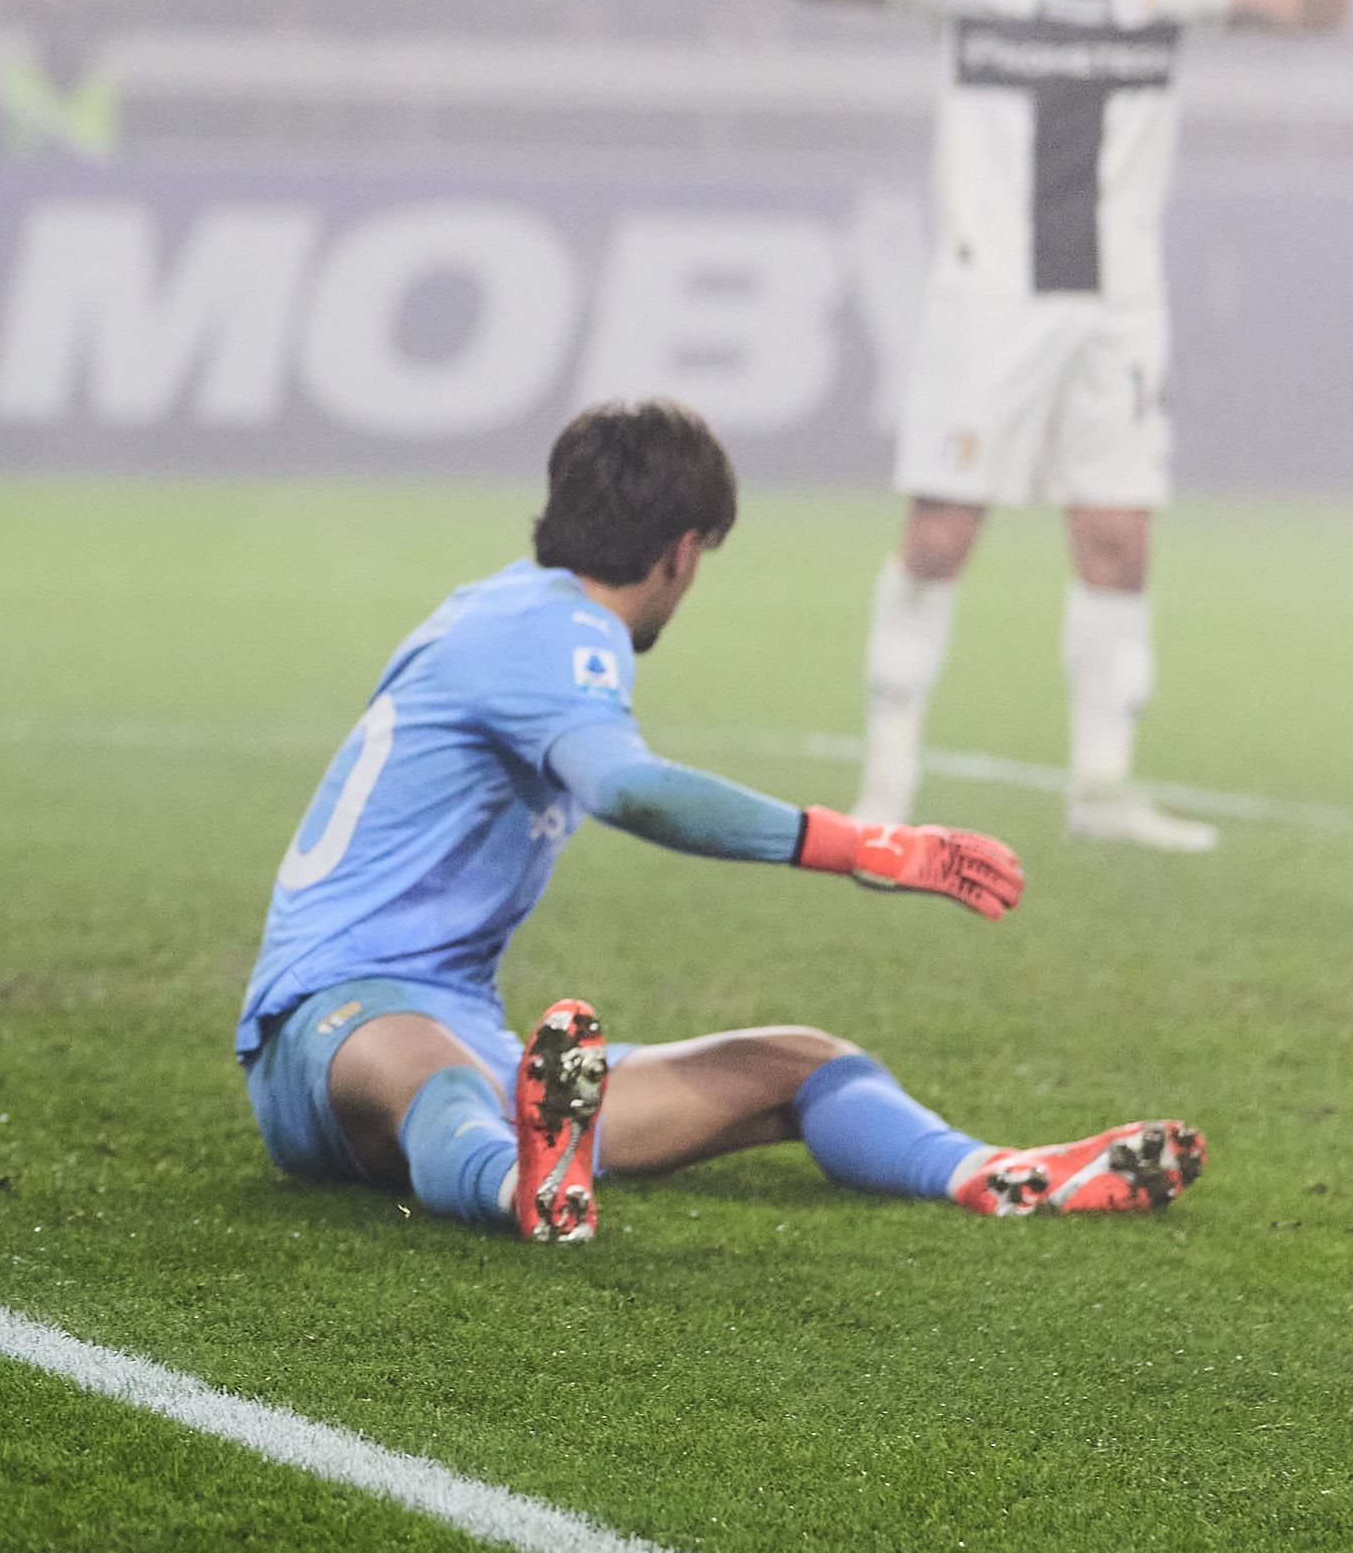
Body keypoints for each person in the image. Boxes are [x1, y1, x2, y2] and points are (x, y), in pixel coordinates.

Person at [237, 400, 1202, 1245]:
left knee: (806, 1066)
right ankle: (518, 1190)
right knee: (440, 1082)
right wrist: (869, 845)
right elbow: (630, 790)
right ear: (683, 550)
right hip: (325, 1021)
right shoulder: (555, 632)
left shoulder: (501, 610)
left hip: (474, 1037)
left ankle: (988, 1173)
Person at [787, 0, 1349, 851]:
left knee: (1115, 543)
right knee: (940, 537)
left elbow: (1317, 13)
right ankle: (885, 787)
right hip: (984, 296)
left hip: (1116, 306)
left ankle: (1100, 789)